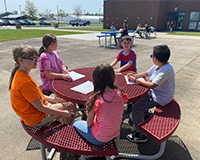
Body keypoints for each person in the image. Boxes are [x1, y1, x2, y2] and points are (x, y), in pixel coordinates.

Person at [9, 45, 76, 127]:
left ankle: (64, 124)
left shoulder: (21, 75)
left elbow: (37, 96)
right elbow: (41, 108)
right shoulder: (25, 82)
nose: (36, 61)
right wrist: (64, 113)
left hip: (33, 113)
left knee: (65, 102)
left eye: (36, 58)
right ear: (20, 60)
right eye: (32, 59)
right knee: (71, 105)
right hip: (36, 118)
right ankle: (67, 131)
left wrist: (56, 100)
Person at [126, 45, 175, 143]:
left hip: (161, 97)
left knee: (136, 107)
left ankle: (140, 134)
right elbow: (146, 73)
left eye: (152, 55)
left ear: (155, 58)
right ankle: (144, 113)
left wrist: (135, 79)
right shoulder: (159, 65)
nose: (152, 57)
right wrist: (134, 75)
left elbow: (152, 85)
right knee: (136, 95)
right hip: (156, 93)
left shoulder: (166, 70)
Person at [73, 64, 127, 148]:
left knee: (75, 123)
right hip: (115, 133)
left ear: (95, 80)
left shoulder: (97, 99)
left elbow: (89, 124)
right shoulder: (120, 93)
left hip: (98, 138)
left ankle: (75, 151)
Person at [38, 34, 86, 120]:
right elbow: (48, 74)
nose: (57, 45)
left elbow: (61, 63)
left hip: (60, 78)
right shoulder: (44, 57)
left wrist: (63, 68)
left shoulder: (55, 53)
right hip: (51, 83)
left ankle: (83, 111)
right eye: (56, 43)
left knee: (77, 90)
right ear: (51, 44)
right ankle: (70, 114)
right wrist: (63, 76)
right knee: (69, 94)